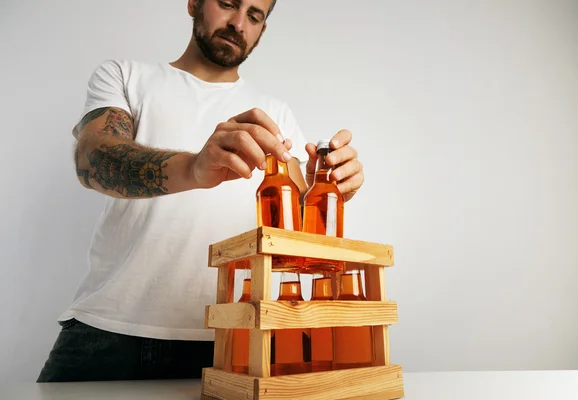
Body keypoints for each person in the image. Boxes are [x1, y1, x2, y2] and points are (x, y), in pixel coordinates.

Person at [37, 0, 364, 382]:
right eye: (228, 3)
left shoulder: (276, 114)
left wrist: (330, 185)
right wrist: (194, 167)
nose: (239, 23)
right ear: (194, 2)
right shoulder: (126, 76)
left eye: (255, 16)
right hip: (108, 330)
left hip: (234, 337)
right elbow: (92, 159)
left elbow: (293, 237)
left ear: (262, 29)